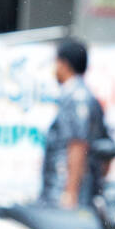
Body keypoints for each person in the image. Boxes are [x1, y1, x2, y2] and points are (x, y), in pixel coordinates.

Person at [40, 37, 106, 209]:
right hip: (69, 188)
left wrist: (71, 192)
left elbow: (77, 144)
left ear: (64, 64)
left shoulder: (77, 98)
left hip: (65, 191)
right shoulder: (80, 95)